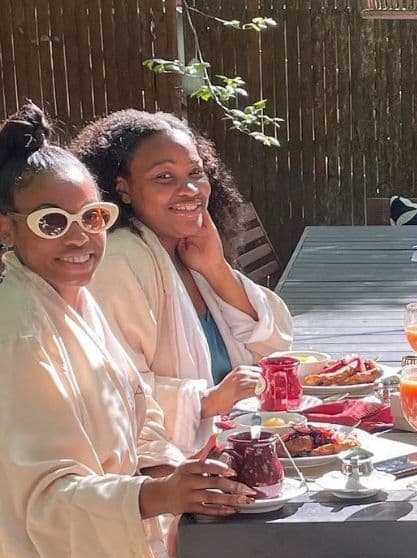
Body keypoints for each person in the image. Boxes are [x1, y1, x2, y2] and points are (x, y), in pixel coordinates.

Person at [0, 103, 313, 558]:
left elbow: (136, 414)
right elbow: (41, 509)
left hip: (112, 551)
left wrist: (180, 476)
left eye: (91, 218)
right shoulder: (20, 333)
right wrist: (160, 498)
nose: (80, 238)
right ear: (6, 229)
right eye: (52, 222)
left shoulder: (69, 298)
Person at [70, 110, 293, 457]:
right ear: (122, 189)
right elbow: (109, 392)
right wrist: (207, 400)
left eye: (195, 173)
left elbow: (273, 344)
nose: (189, 189)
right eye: (163, 176)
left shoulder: (187, 251)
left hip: (234, 446)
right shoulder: (119, 260)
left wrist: (216, 268)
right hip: (170, 479)